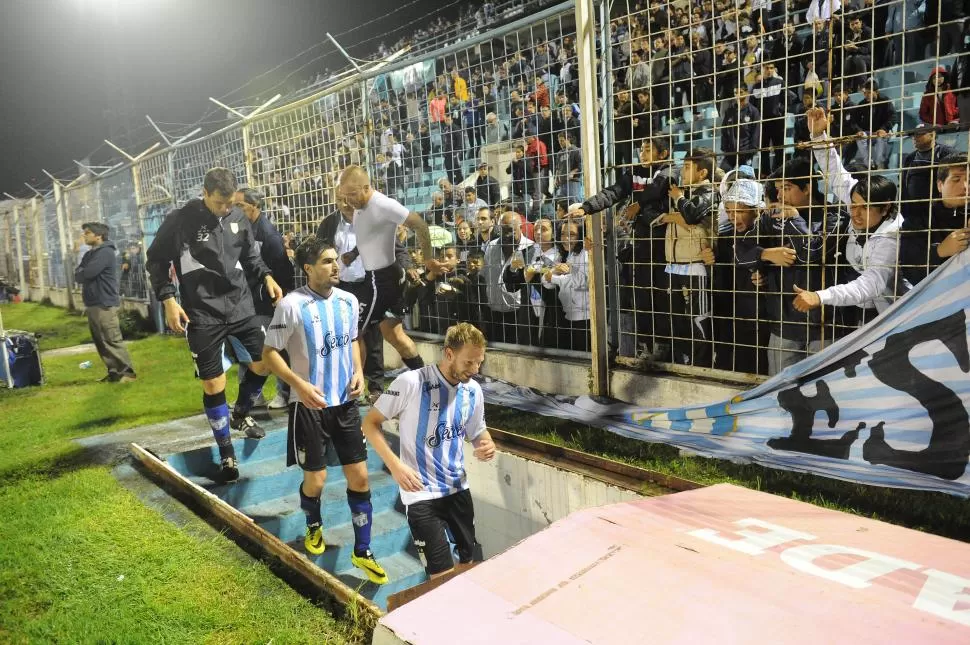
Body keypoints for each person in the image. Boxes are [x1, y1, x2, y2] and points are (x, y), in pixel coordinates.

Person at [260, 237, 388, 584]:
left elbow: (354, 342)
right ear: (308, 269)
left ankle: (362, 551)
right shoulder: (291, 306)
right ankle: (313, 523)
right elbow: (270, 354)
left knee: (360, 478)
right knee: (315, 479)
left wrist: (359, 371)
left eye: (336, 260)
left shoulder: (349, 301)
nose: (336, 267)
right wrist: (297, 385)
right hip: (309, 407)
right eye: (328, 262)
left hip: (345, 405)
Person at [147, 168, 283, 481]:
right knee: (213, 383)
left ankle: (241, 414)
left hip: (240, 306)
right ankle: (226, 453)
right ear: (206, 193)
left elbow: (250, 255)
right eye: (220, 203)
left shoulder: (238, 217)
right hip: (202, 311)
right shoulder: (181, 219)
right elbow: (156, 259)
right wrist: (168, 299)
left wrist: (266, 276)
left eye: (230, 203)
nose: (226, 209)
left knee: (265, 363)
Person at [360, 322, 496, 579]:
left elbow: (477, 431)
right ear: (448, 354)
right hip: (420, 495)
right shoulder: (411, 382)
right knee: (440, 578)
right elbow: (370, 423)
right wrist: (395, 466)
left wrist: (485, 444)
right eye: (469, 363)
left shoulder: (473, 390)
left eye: (479, 363)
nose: (475, 370)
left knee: (470, 569)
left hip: (458, 490)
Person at [335, 165, 442, 374]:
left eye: (352, 195)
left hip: (382, 280)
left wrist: (428, 259)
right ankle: (426, 381)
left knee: (353, 332)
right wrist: (355, 253)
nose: (348, 201)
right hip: (380, 277)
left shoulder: (383, 204)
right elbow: (372, 235)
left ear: (366, 187)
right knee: (394, 335)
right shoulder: (360, 206)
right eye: (345, 196)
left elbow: (419, 224)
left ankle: (353, 391)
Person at [232, 188, 295, 409]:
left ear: (255, 206)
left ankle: (284, 393)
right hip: (248, 299)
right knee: (249, 346)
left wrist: (279, 296)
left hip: (267, 301)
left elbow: (283, 271)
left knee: (275, 346)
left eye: (240, 206)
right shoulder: (241, 228)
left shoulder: (268, 235)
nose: (235, 209)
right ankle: (252, 396)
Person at [74, 222, 137, 383]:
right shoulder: (90, 254)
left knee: (111, 338)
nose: (84, 236)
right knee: (100, 339)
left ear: (98, 235)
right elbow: (78, 274)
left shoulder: (105, 252)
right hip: (92, 302)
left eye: (87, 233)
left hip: (104, 301)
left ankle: (127, 373)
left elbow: (88, 273)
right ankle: (114, 372)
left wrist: (83, 272)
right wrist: (83, 272)